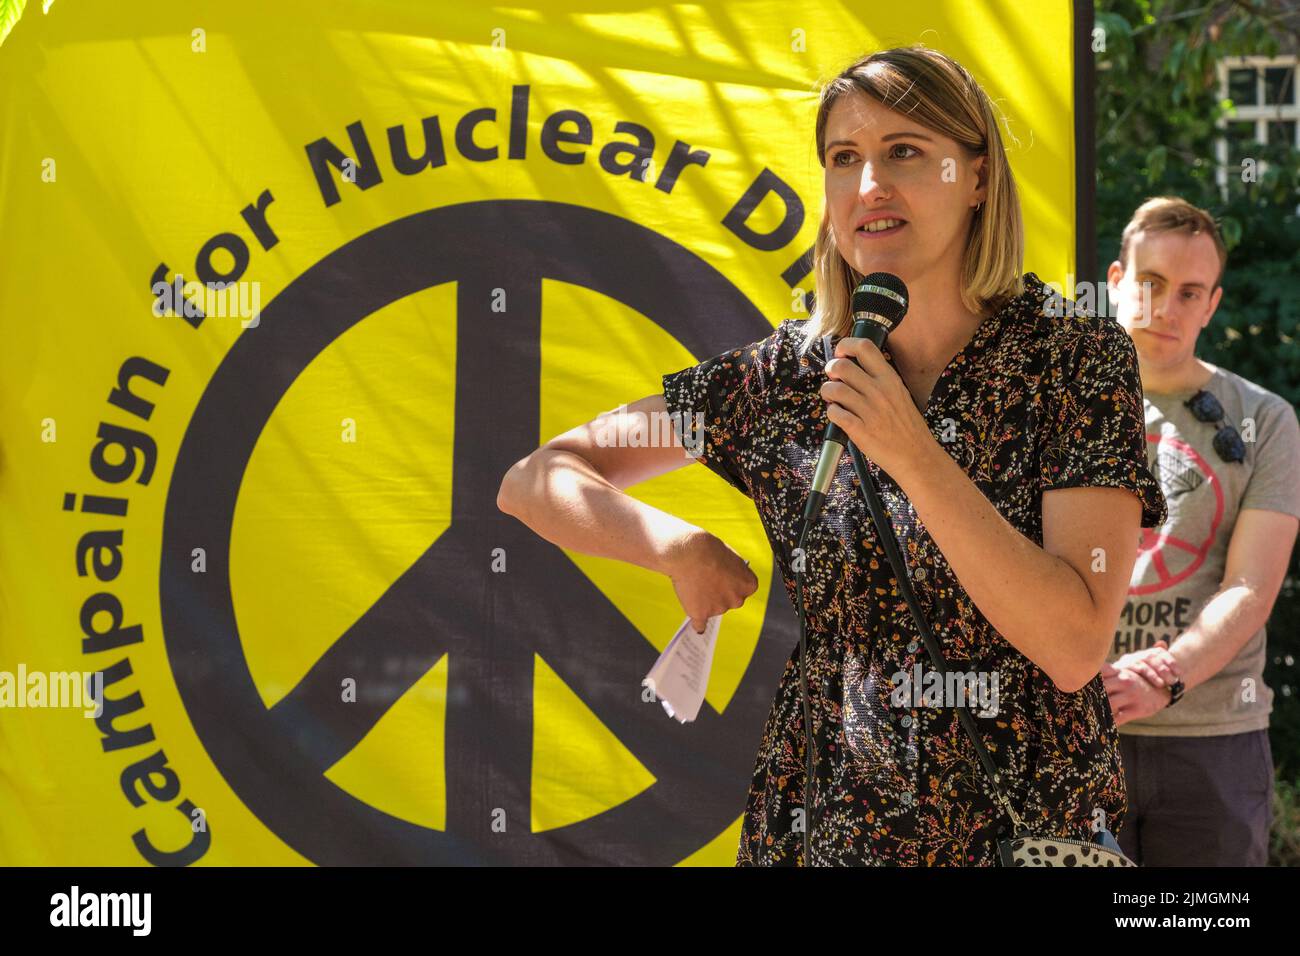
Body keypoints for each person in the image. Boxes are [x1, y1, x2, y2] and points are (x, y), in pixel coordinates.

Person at [496, 46, 1167, 865]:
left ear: (979, 179)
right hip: (822, 826)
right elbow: (538, 479)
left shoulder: (1072, 355)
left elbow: (1073, 647)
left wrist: (913, 454)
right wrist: (675, 547)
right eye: (843, 159)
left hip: (1013, 834)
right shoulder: (784, 376)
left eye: (904, 153)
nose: (868, 186)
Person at [1101, 196, 1300, 866]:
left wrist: (1165, 677)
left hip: (1214, 741)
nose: (1166, 307)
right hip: (1073, 733)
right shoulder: (1051, 408)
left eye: (1189, 292)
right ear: (1116, 280)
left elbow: (1251, 586)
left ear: (1211, 306)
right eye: (1150, 283)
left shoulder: (1265, 421)